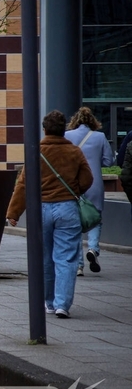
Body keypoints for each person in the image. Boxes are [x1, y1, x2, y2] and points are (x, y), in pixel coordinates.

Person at [7, 110, 93, 319]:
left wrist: (14, 212)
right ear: (64, 130)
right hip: (67, 208)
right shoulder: (74, 152)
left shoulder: (36, 152)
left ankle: (49, 302)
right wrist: (73, 191)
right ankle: (63, 304)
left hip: (41, 209)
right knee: (66, 258)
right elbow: (87, 179)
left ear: (45, 129)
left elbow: (23, 184)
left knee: (45, 258)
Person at [64, 107, 113, 276]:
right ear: (93, 121)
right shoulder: (100, 137)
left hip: (73, 184)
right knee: (95, 218)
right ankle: (93, 248)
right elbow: (108, 162)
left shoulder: (67, 136)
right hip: (94, 184)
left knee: (74, 224)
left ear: (74, 120)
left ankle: (78, 266)